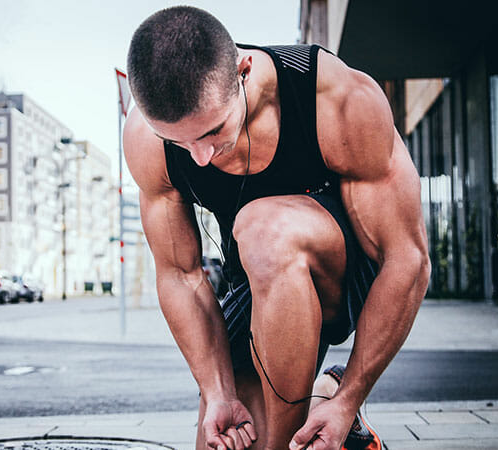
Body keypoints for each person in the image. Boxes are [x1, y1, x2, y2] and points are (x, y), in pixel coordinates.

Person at [122, 6, 430, 450]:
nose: (200, 158)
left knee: (264, 227)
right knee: (229, 437)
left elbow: (409, 259)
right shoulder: (145, 138)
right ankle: (317, 392)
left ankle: (330, 396)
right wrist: (217, 392)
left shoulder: (334, 97)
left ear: (244, 71)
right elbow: (180, 275)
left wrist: (349, 400)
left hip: (351, 274)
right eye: (179, 142)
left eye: (212, 132)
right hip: (259, 282)